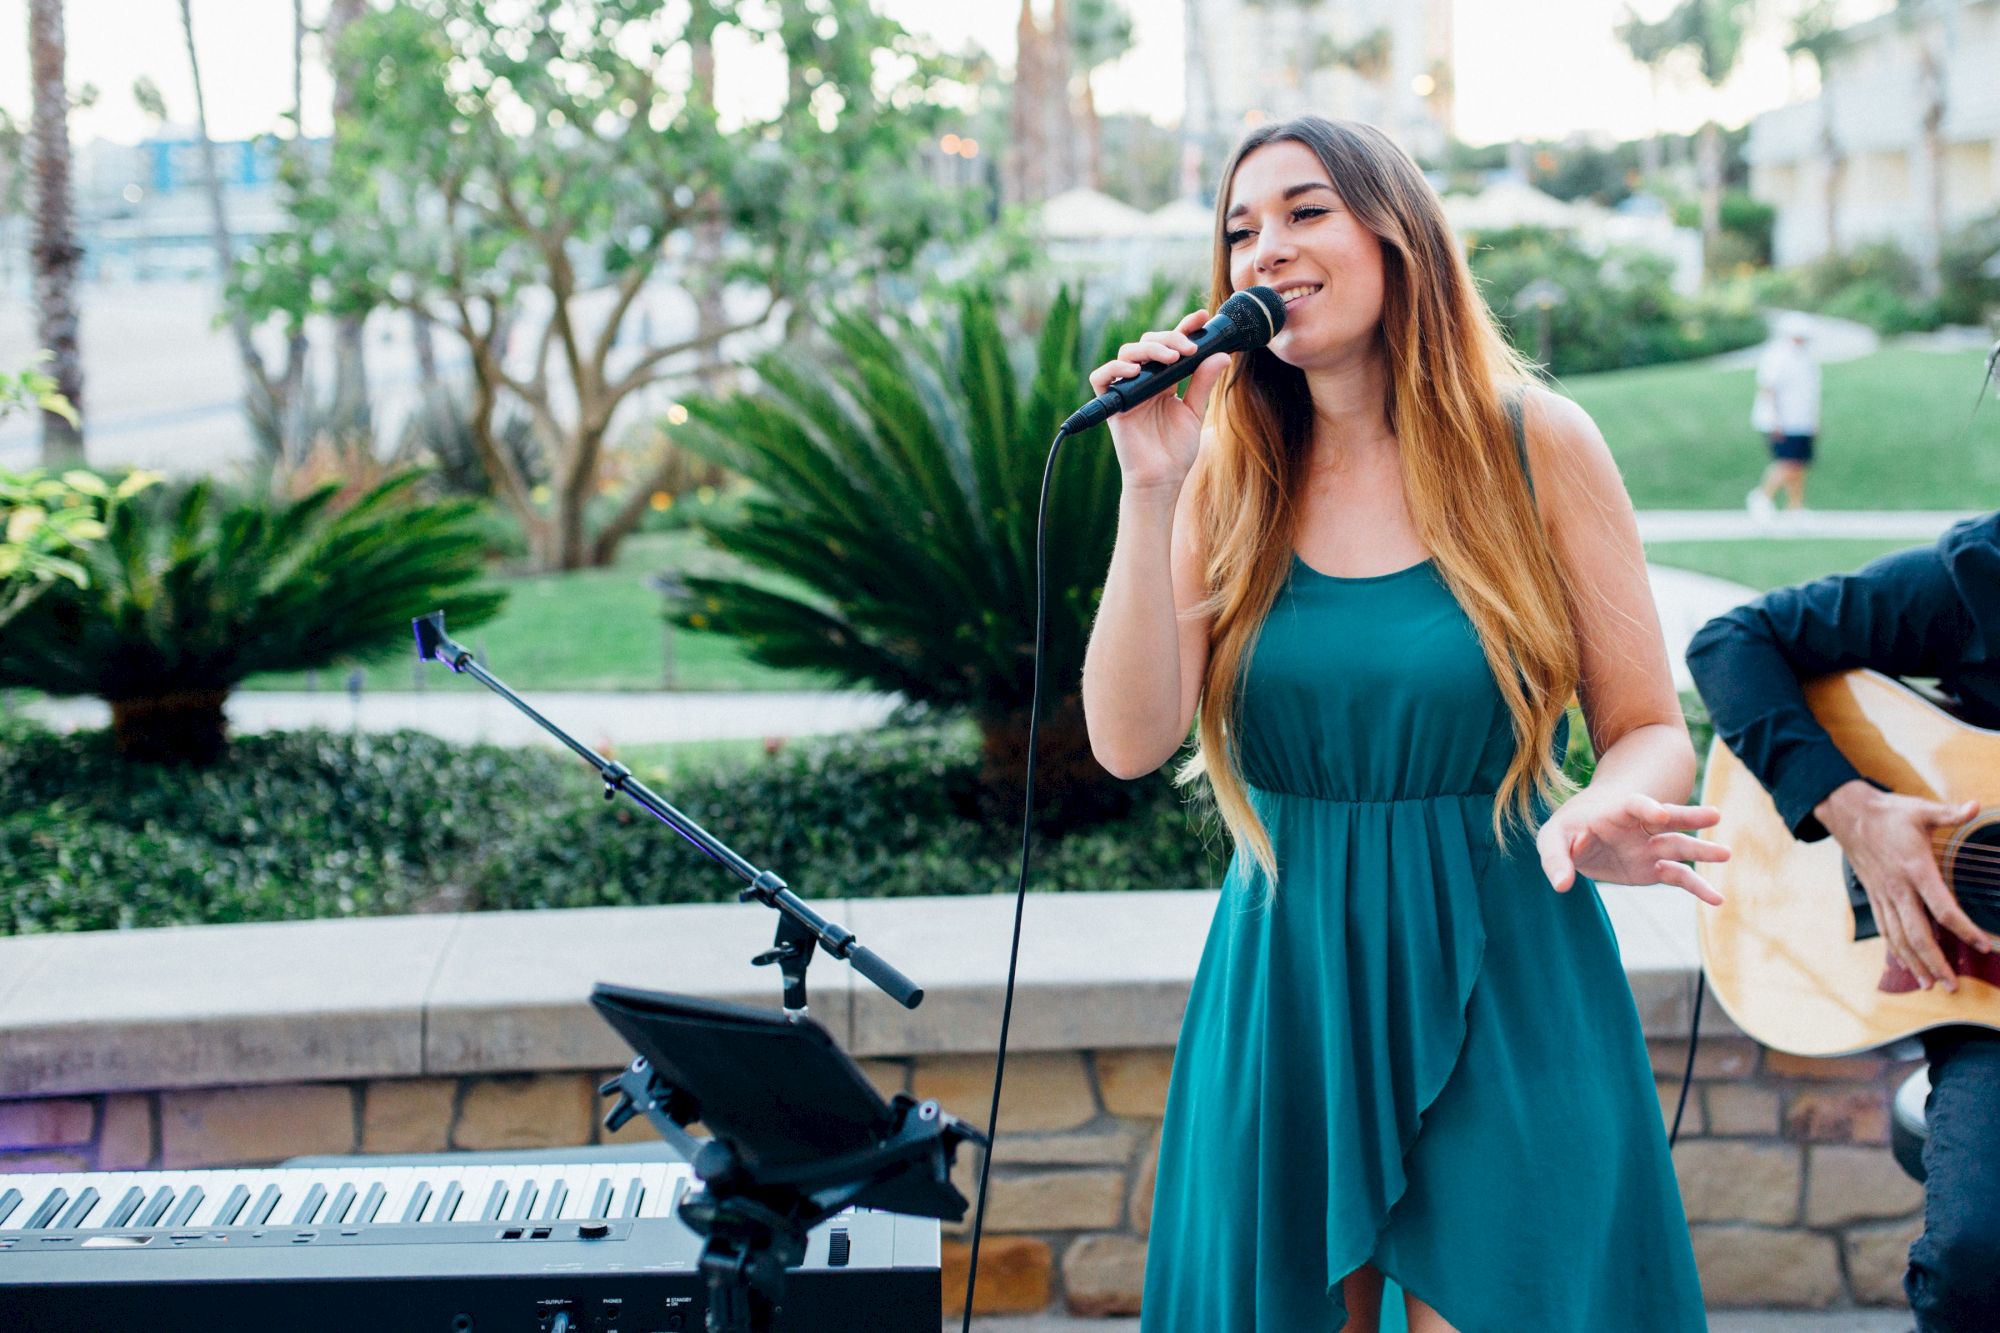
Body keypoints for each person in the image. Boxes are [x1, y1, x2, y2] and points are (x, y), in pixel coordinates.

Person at [1079, 115, 1727, 1333]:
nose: (1264, 249)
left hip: (1508, 954)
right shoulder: (1224, 470)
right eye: (1238, 228)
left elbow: (1645, 725)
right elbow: (1126, 738)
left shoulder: (1535, 444)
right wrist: (1149, 481)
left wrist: (1598, 805)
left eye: (1304, 210)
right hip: (1291, 973)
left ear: (1397, 234)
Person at [1686, 512, 2000, 1332]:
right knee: (1976, 1259)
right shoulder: (1984, 572)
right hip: (1986, 1010)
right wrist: (1851, 807)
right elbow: (1732, 644)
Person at [1746, 313, 1822, 518]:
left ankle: (1795, 506)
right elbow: (1769, 389)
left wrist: (1814, 420)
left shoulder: (1806, 358)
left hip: (1802, 420)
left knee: (1799, 465)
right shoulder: (1777, 356)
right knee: (1787, 462)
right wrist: (1775, 420)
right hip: (1782, 420)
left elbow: (1810, 393)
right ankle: (1762, 496)